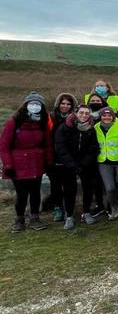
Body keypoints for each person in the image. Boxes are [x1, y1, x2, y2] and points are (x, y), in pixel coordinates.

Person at [1, 92, 53, 232]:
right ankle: (19, 219)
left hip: (37, 161)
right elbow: (4, 146)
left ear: (42, 107)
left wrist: (48, 162)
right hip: (18, 163)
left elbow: (47, 144)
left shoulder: (42, 122)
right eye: (32, 104)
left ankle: (35, 217)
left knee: (35, 192)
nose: (34, 106)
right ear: (26, 105)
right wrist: (8, 165)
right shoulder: (14, 122)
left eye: (38, 104)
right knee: (21, 194)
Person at [54, 104, 99, 229]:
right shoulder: (64, 127)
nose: (84, 115)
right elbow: (60, 147)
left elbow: (93, 147)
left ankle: (87, 212)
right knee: (69, 189)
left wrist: (85, 162)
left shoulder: (91, 128)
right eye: (81, 113)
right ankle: (69, 216)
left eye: (86, 113)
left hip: (85, 163)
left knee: (88, 188)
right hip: (68, 164)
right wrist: (71, 163)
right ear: (75, 113)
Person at [95, 107, 118, 220]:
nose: (107, 117)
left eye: (109, 115)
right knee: (109, 188)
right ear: (100, 117)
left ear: (113, 116)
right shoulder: (95, 127)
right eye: (104, 115)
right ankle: (115, 209)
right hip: (103, 162)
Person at [46, 92, 78, 221]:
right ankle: (58, 207)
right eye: (63, 103)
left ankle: (70, 209)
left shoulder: (76, 118)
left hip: (70, 156)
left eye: (68, 104)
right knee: (55, 185)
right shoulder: (50, 117)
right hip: (53, 156)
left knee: (70, 185)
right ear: (58, 104)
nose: (65, 106)